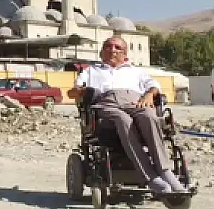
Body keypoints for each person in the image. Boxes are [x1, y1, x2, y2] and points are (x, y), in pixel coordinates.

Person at [67, 37, 187, 194]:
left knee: (149, 116)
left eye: (117, 47)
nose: (112, 49)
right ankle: (150, 177)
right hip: (106, 104)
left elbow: (153, 86)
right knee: (122, 119)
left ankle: (165, 172)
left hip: (134, 102)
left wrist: (149, 94)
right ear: (102, 52)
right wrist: (80, 91)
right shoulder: (91, 71)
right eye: (108, 46)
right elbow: (72, 92)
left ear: (125, 54)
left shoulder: (135, 71)